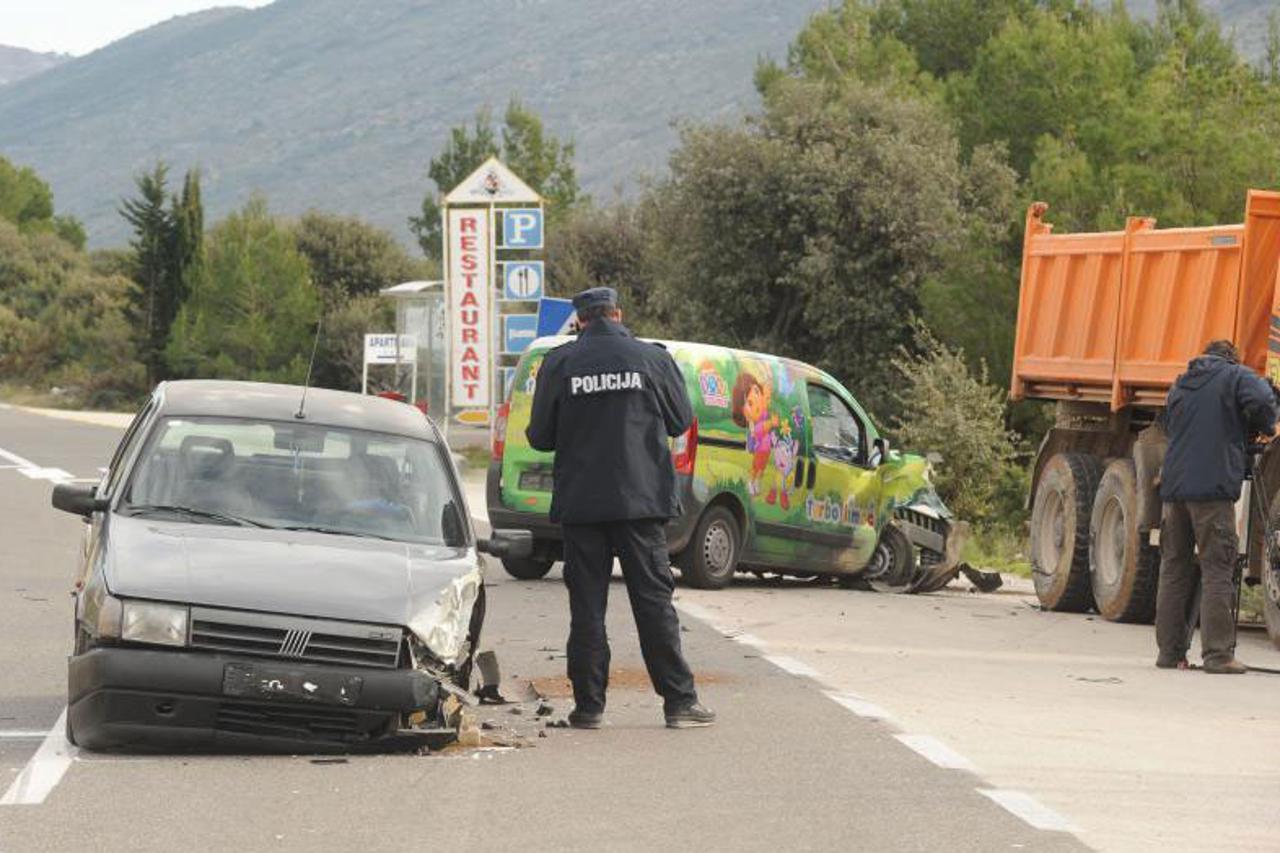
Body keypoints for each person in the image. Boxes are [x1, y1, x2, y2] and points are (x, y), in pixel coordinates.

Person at [525, 286, 714, 729]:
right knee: (653, 603)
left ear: (579, 321)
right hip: (640, 504)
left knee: (587, 609)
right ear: (618, 314)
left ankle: (589, 707)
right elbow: (680, 420)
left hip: (582, 506)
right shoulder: (652, 359)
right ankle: (679, 703)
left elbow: (540, 436)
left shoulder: (560, 363)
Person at [1156, 339, 1278, 674]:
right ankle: (1218, 655)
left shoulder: (1181, 383)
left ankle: (1169, 653)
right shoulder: (1235, 376)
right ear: (1230, 358)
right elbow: (1264, 399)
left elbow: (1167, 424)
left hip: (1174, 491)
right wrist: (1264, 425)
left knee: (1174, 569)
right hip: (1211, 492)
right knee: (1217, 568)